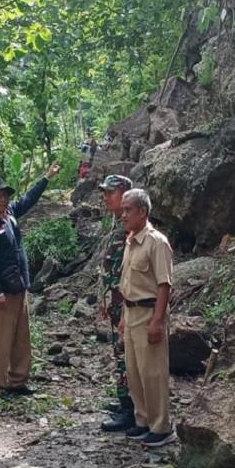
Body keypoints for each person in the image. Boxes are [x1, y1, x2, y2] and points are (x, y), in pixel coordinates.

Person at [0, 163, 61, 395]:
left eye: (4, 195)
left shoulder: (10, 215)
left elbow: (28, 199)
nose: (2, 199)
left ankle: (18, 381)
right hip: (3, 291)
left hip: (19, 286)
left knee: (21, 338)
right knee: (1, 340)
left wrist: (46, 178)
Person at [118, 188, 176, 448]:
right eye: (122, 209)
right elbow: (126, 282)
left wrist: (157, 321)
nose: (123, 215)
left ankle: (161, 427)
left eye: (128, 209)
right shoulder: (131, 241)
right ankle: (143, 421)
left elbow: (164, 284)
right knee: (134, 371)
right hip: (131, 314)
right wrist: (122, 316)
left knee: (153, 372)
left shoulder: (157, 242)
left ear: (143, 211)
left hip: (149, 313)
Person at [97, 175, 134, 432]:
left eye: (111, 192)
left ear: (125, 193)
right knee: (119, 354)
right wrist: (104, 298)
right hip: (115, 303)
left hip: (127, 306)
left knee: (126, 356)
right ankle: (124, 399)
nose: (106, 196)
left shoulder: (132, 227)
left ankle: (130, 408)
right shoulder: (118, 224)